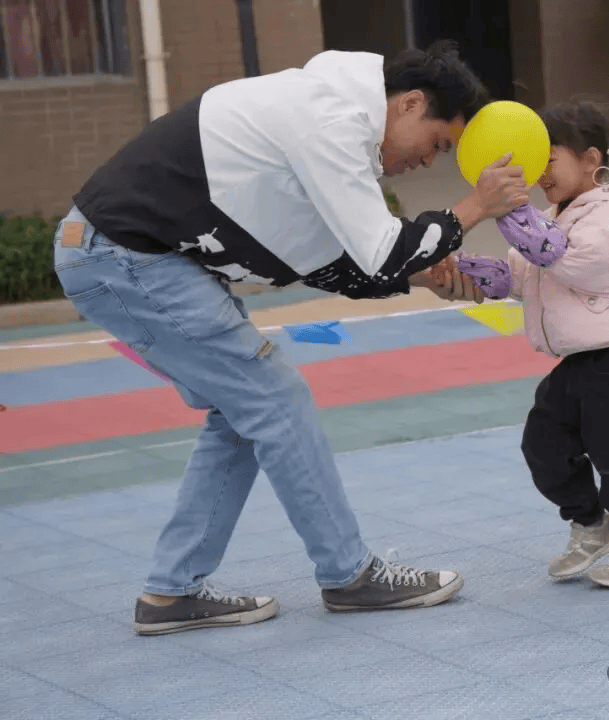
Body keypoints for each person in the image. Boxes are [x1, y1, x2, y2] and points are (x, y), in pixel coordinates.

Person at [52, 41, 528, 636]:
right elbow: (380, 253)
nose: (429, 162)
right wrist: (475, 206)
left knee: (244, 411)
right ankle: (350, 575)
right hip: (127, 257)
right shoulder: (330, 117)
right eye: (438, 144)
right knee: (274, 398)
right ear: (409, 104)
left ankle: (172, 594)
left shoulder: (325, 117)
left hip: (121, 255)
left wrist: (424, 273)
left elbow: (334, 260)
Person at [453, 102, 609, 588]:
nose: (537, 173)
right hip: (578, 360)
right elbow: (525, 273)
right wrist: (466, 269)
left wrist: (509, 209)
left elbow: (574, 262)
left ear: (589, 157)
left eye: (547, 158)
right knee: (543, 444)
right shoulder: (556, 216)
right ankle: (592, 524)